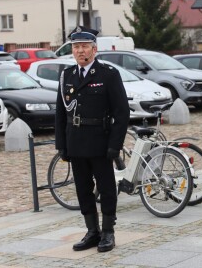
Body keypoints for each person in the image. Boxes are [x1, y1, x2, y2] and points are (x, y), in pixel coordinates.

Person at [55, 26, 129, 252]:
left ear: (94, 49)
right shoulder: (66, 75)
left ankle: (108, 232)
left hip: (100, 142)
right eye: (76, 47)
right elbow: (60, 113)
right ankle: (92, 231)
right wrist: (62, 145)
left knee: (106, 189)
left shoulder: (108, 74)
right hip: (76, 141)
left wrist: (115, 145)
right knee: (83, 190)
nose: (80, 51)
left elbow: (122, 112)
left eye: (84, 47)